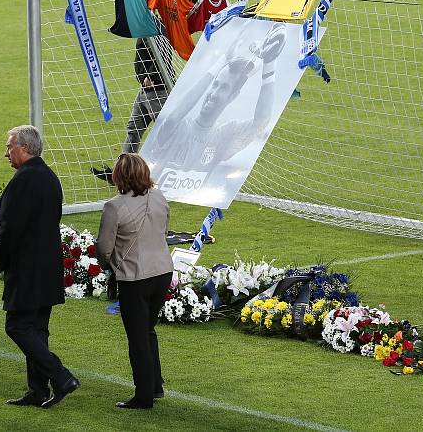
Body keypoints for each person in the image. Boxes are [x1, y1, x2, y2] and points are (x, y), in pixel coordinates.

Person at [0, 125, 80, 408]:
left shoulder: (24, 180)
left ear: (25, 148)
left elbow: (10, 228)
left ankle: (61, 375)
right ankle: (38, 389)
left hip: (27, 268)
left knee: (17, 326)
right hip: (48, 266)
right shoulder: (50, 177)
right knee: (38, 329)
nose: (6, 153)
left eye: (10, 147)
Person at [144, 22, 287, 175]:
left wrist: (269, 62)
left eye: (224, 88)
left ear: (233, 96)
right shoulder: (181, 125)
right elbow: (172, 118)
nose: (213, 93)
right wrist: (223, 61)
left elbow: (261, 121)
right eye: (215, 84)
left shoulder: (225, 133)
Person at [96, 153, 173, 409]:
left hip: (134, 277)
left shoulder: (114, 206)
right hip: (162, 272)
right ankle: (155, 385)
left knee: (137, 337)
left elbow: (104, 247)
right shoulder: (160, 197)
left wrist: (109, 269)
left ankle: (143, 396)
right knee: (148, 329)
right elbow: (163, 231)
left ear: (119, 175)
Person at [92, 36, 174, 184]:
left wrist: (151, 77)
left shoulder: (158, 30)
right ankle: (122, 172)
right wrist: (143, 77)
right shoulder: (146, 29)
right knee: (133, 128)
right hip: (144, 91)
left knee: (164, 134)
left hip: (157, 91)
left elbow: (164, 56)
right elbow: (141, 60)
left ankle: (168, 172)